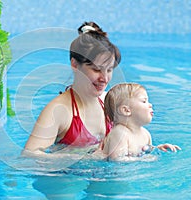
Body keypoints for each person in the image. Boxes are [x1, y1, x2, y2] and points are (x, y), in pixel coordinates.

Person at [23, 21, 121, 155]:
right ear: (75, 65)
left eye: (109, 70)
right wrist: (84, 158)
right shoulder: (58, 111)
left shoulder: (108, 101)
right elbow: (29, 156)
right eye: (96, 69)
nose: (104, 78)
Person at [99, 83, 181, 161]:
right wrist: (142, 160)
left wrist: (158, 149)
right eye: (144, 101)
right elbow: (116, 159)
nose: (150, 105)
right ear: (126, 110)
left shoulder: (146, 134)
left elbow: (146, 151)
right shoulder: (120, 133)